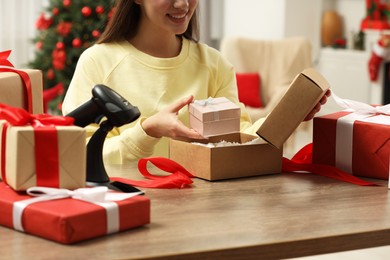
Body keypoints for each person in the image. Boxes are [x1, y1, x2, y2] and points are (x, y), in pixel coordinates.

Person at [62, 0, 329, 165]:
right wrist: (147, 131)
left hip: (202, 210)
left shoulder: (215, 64)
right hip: (128, 206)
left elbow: (240, 141)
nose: (182, 4)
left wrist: (287, 117)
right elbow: (78, 154)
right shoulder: (98, 61)